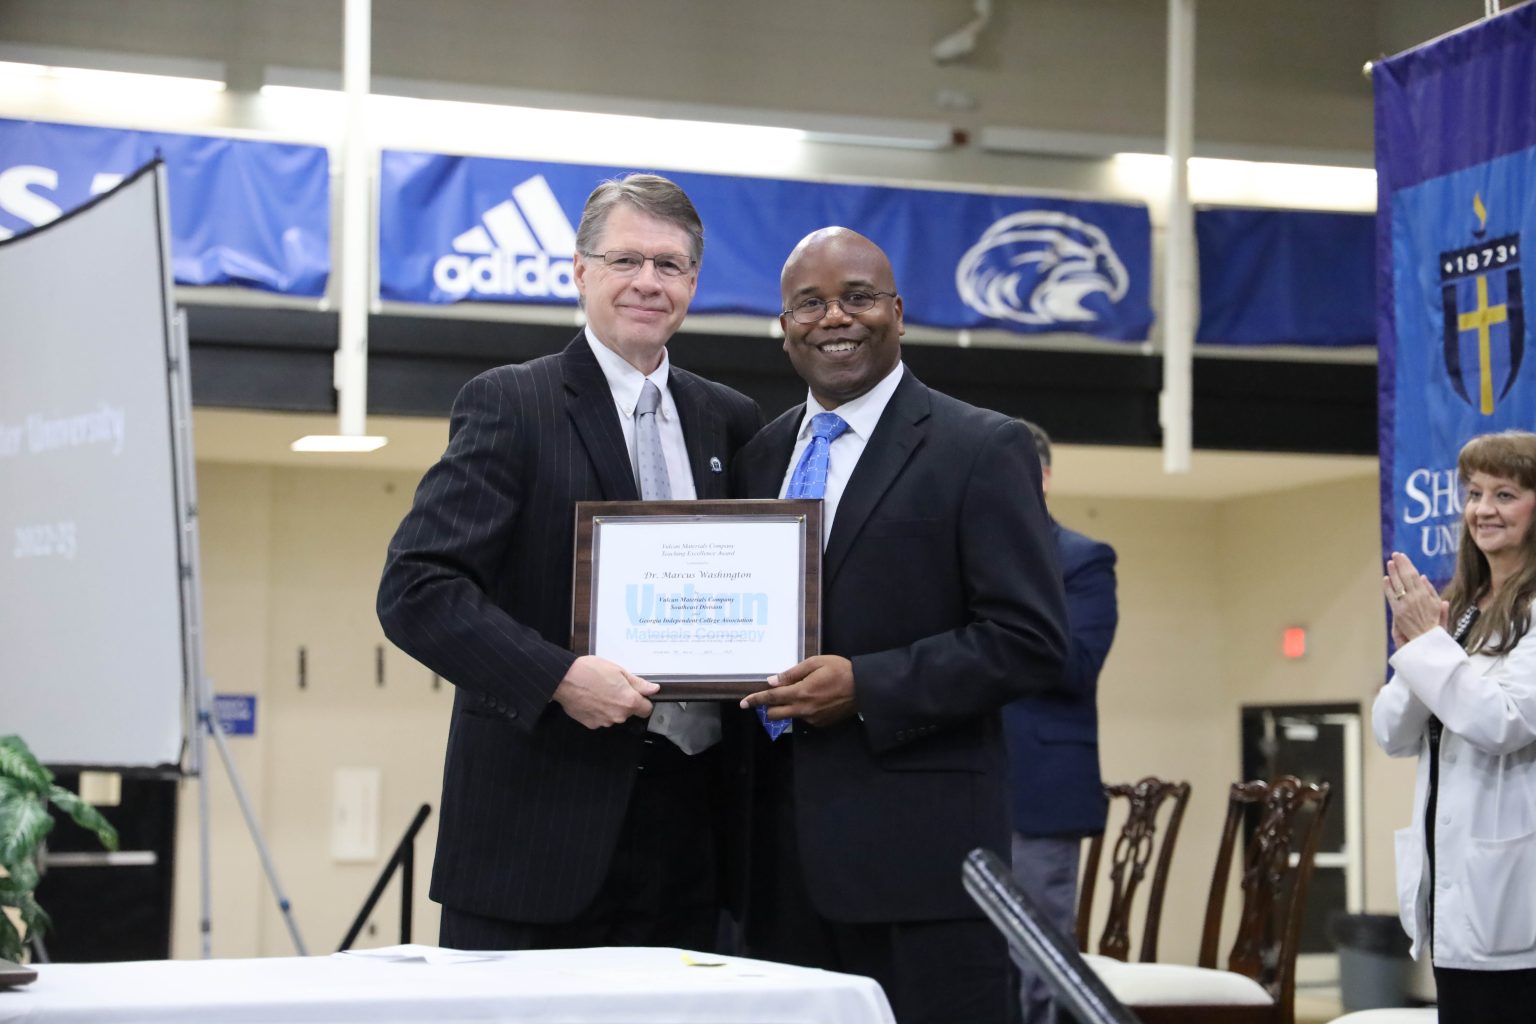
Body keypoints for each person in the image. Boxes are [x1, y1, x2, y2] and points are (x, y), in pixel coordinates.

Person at [377, 173, 763, 952]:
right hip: (540, 836)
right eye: (626, 261)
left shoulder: (732, 420)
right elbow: (417, 588)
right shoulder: (512, 404)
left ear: (693, 282)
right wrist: (557, 677)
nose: (648, 282)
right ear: (581, 271)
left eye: (670, 265)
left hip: (699, 835)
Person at [735, 226, 1069, 1024]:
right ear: (784, 325)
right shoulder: (759, 456)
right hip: (770, 866)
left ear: (898, 312)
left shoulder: (980, 446)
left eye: (857, 297)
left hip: (921, 869)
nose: (833, 318)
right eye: (808, 303)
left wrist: (868, 686)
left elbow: (1031, 641)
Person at [1373, 429, 1536, 1023]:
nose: (1483, 510)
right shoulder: (1462, 610)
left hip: (1515, 898)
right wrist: (1424, 648)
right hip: (1454, 895)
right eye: (1473, 493)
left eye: (1506, 493)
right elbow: (1392, 734)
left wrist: (1429, 646)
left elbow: (1502, 722)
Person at [1005, 420, 1116, 1024]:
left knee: (1038, 957)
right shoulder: (958, 552)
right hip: (958, 780)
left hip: (1039, 792)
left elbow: (1074, 665)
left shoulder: (1082, 559)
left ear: (1042, 478)